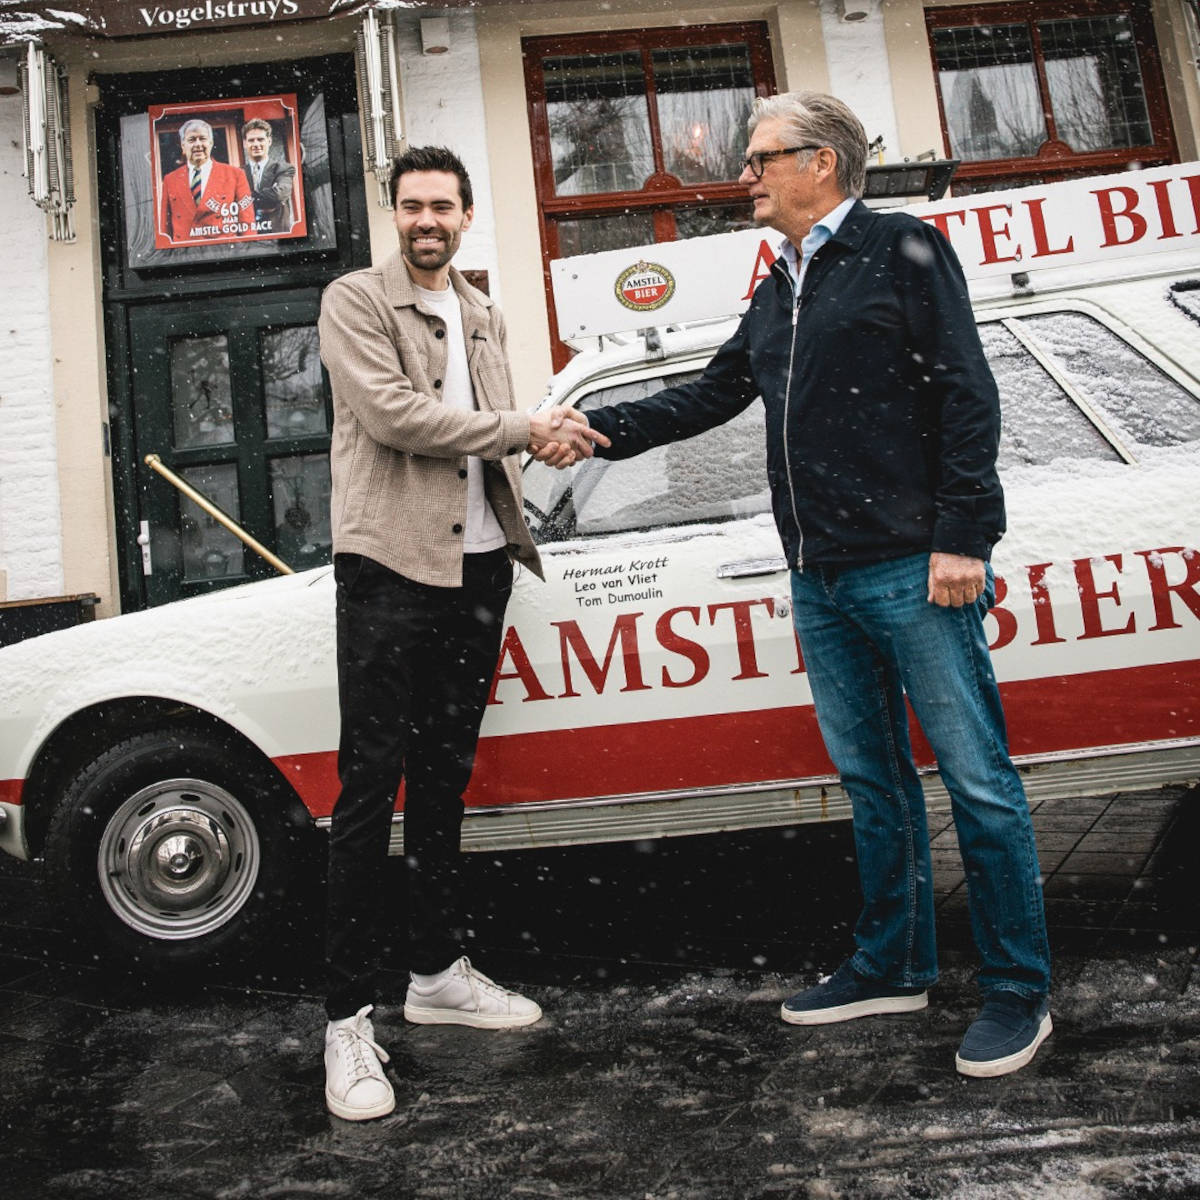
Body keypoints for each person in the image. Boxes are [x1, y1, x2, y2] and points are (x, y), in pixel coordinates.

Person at [562, 92, 1052, 1079]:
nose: (742, 174)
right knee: (874, 784)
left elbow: (968, 389)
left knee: (980, 784)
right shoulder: (780, 279)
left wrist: (963, 537)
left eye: (760, 158)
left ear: (819, 164)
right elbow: (712, 392)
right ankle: (892, 965)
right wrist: (591, 429)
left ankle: (1017, 992)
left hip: (914, 568)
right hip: (821, 578)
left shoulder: (902, 248)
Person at [316, 145, 605, 1121]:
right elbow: (398, 418)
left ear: (467, 214)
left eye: (442, 205)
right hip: (390, 570)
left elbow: (493, 427)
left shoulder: (482, 310)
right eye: (411, 206)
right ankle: (346, 1022)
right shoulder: (356, 300)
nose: (426, 219)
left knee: (443, 778)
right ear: (394, 214)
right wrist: (527, 426)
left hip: (479, 572)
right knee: (368, 791)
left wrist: (542, 434)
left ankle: (436, 972)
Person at [159, 118, 253, 244]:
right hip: (184, 254)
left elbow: (247, 223)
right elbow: (165, 229)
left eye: (202, 139)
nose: (198, 144)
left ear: (211, 142)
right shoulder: (170, 179)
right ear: (183, 146)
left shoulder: (235, 175)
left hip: (224, 250)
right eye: (191, 140)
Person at [241, 117, 296, 233]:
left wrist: (247, 197)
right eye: (251, 140)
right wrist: (268, 195)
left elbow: (279, 195)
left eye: (260, 139)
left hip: (276, 233)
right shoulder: (238, 173)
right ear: (245, 144)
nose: (256, 144)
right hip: (249, 234)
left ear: (269, 141)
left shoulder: (284, 168)